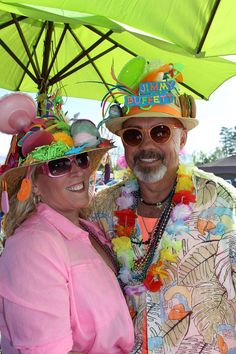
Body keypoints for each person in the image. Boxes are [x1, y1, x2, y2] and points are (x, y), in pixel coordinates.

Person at [87, 57, 236, 353]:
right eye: (133, 135)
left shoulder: (221, 202)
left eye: (160, 132)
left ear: (182, 138)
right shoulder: (101, 208)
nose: (146, 146)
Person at [0, 92, 134, 354]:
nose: (77, 171)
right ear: (34, 183)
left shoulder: (88, 228)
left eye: (81, 159)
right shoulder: (33, 246)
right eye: (59, 164)